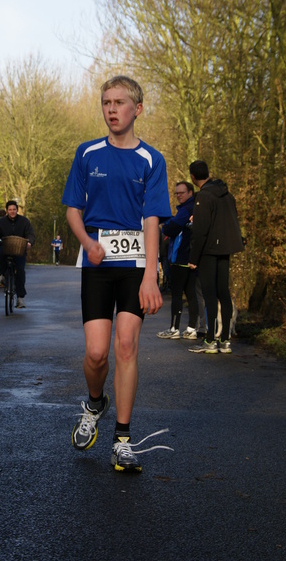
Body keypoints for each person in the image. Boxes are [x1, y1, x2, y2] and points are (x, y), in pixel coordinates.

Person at [62, 75, 171, 473]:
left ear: (137, 109)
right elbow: (73, 208)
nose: (111, 109)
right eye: (106, 102)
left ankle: (123, 440)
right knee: (96, 352)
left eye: (120, 102)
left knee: (126, 346)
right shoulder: (87, 153)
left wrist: (150, 275)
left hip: (134, 266)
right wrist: (86, 242)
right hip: (97, 261)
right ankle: (94, 403)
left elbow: (152, 218)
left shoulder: (151, 160)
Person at [187, 160, 244, 354]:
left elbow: (200, 231)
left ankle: (210, 340)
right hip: (226, 248)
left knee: (210, 295)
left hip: (209, 250)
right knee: (224, 293)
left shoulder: (203, 196)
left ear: (193, 177)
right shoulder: (227, 195)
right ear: (208, 173)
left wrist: (193, 258)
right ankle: (225, 340)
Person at [156, 181, 199, 341]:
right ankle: (191, 329)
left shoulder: (185, 210)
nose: (178, 195)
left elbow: (170, 229)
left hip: (180, 257)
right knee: (191, 293)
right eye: (176, 193)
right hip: (193, 258)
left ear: (190, 193)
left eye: (181, 192)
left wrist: (165, 226)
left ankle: (174, 328)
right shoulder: (196, 208)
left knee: (177, 293)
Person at [0, 200, 36, 309]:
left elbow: (30, 234)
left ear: (17, 210)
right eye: (10, 210)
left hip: (19, 250)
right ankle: (2, 274)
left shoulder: (24, 221)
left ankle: (20, 298)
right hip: (5, 248)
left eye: (14, 209)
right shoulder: (1, 222)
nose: (12, 212)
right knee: (0, 253)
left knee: (20, 270)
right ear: (7, 211)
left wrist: (29, 242)